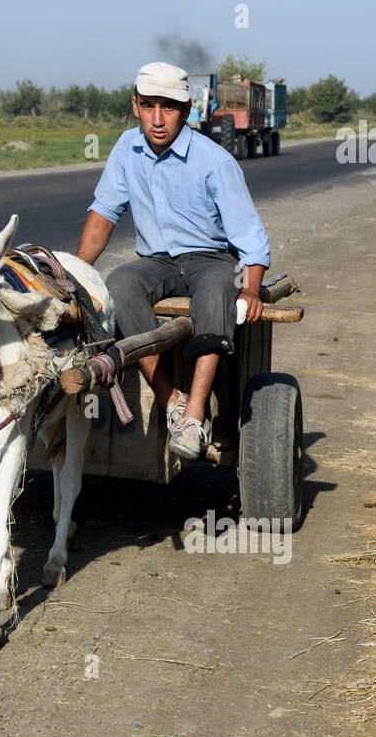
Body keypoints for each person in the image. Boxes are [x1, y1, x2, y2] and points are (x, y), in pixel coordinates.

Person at [75, 61, 270, 458]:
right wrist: (76, 272)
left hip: (210, 258)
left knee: (218, 288)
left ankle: (195, 417)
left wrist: (250, 289)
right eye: (149, 106)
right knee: (119, 284)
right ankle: (173, 401)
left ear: (186, 109)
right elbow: (104, 214)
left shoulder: (214, 160)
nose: (158, 119)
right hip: (157, 261)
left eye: (168, 107)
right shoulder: (126, 149)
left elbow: (248, 234)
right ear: (135, 106)